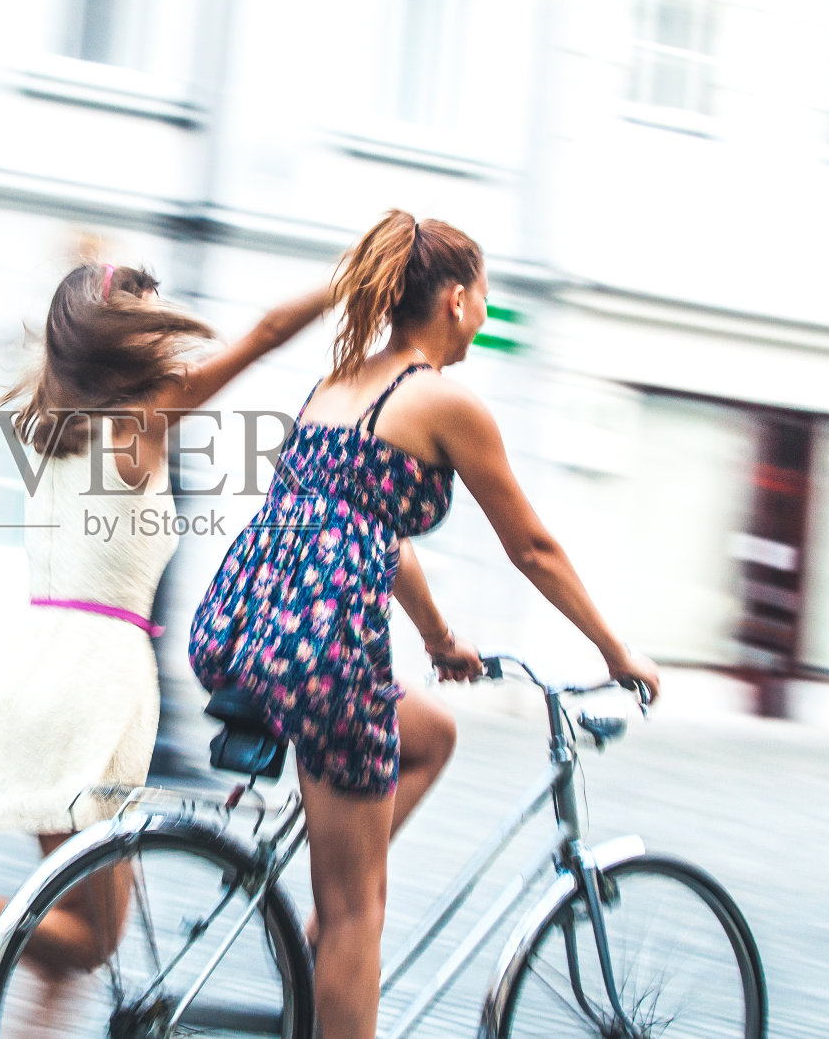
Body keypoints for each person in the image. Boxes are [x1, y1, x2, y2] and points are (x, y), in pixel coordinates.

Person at [187, 210, 662, 1039]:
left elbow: (371, 529)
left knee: (431, 732)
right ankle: (338, 936)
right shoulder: (443, 401)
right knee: (358, 911)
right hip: (326, 656)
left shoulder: (338, 385)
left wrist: (441, 640)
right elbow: (534, 547)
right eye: (483, 296)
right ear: (452, 299)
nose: (484, 312)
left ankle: (327, 926)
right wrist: (616, 650)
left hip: (248, 628)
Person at [0, 260, 344, 997]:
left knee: (72, 910)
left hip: (28, 668)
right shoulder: (142, 417)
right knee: (93, 940)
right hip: (92, 684)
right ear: (118, 335)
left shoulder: (43, 420)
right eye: (149, 316)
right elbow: (266, 335)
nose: (164, 328)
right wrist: (349, 278)